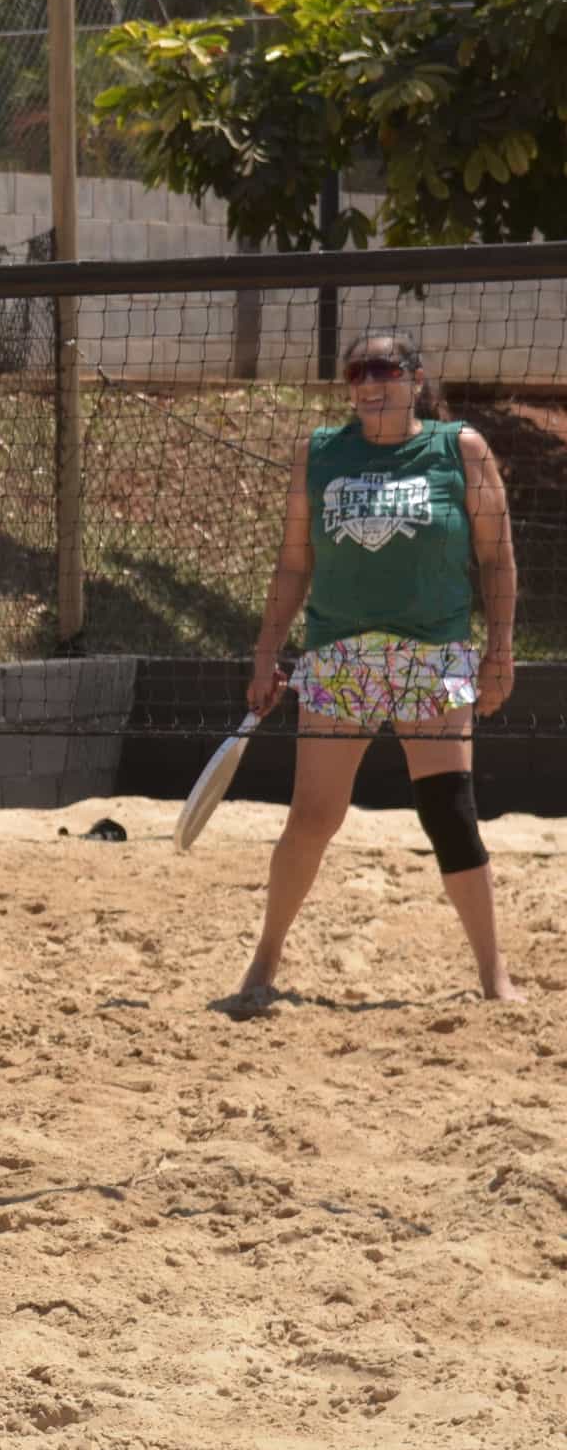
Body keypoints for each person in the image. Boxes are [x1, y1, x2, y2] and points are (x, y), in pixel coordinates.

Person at [238, 329, 523, 1005]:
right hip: (341, 654)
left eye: (383, 370)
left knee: (450, 813)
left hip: (432, 655)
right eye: (356, 373)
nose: (368, 383)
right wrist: (266, 652)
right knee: (313, 818)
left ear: (416, 379)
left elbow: (497, 558)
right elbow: (293, 563)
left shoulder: (459, 449)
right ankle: (264, 963)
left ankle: (494, 976)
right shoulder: (320, 452)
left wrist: (500, 651)